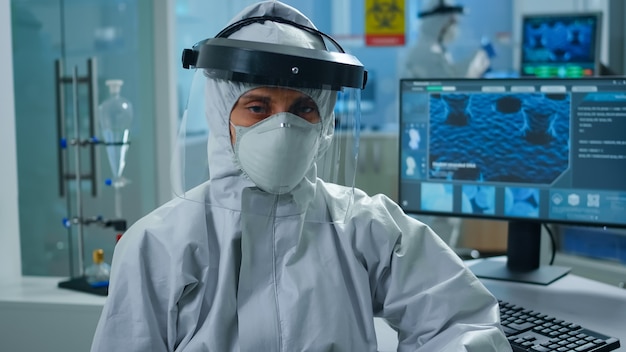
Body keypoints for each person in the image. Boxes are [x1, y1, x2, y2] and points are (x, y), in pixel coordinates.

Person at [90, 1, 511, 351]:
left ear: (325, 121)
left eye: (303, 109)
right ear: (223, 116)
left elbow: (463, 321)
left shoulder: (367, 225)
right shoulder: (157, 245)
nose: (283, 127)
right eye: (257, 107)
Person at [403, 0, 491, 78]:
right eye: (452, 22)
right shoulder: (424, 51)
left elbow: (450, 75)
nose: (454, 28)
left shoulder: (436, 48)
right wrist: (476, 60)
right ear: (438, 22)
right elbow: (449, 84)